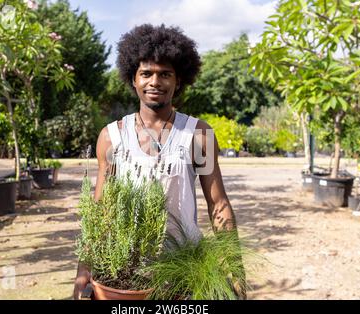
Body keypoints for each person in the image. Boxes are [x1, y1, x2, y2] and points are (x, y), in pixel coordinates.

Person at [73, 24, 246, 299]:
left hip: (185, 270)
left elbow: (219, 205)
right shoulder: (112, 136)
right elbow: (101, 209)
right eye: (146, 73)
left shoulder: (198, 134)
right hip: (126, 272)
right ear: (133, 79)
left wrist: (236, 269)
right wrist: (84, 269)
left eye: (165, 74)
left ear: (179, 81)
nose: (155, 82)